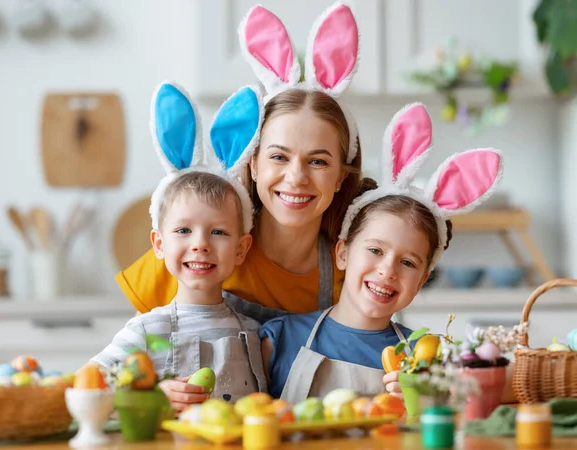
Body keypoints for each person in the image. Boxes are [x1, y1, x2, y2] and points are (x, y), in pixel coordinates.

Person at [114, 2, 366, 323]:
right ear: (253, 164)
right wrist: (162, 375)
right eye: (278, 156)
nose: (296, 177)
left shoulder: (351, 267)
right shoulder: (195, 240)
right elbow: (137, 354)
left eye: (318, 161)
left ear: (341, 178)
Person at [259, 103, 504, 403]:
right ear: (342, 254)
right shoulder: (279, 340)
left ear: (422, 280)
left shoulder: (428, 358)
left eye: (407, 262)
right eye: (375, 250)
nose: (388, 270)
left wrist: (432, 397)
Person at [92, 83, 268, 412]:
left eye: (218, 232)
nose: (200, 245)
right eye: (183, 230)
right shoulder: (149, 332)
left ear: (242, 249)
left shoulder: (255, 332)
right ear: (159, 244)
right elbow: (88, 383)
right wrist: (153, 396)